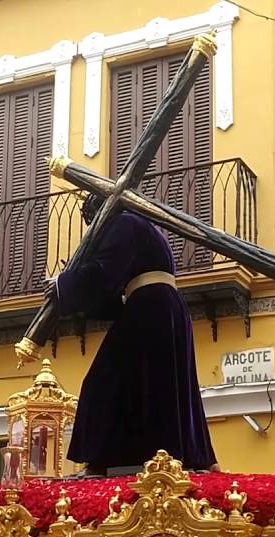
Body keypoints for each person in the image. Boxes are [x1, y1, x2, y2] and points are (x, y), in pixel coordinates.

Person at [50, 194, 218, 476]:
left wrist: (63, 283)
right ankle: (171, 454)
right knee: (160, 383)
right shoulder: (144, 227)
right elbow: (114, 292)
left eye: (92, 223)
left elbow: (104, 273)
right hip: (160, 307)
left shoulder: (123, 223)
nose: (93, 230)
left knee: (102, 380)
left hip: (149, 307)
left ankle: (103, 459)